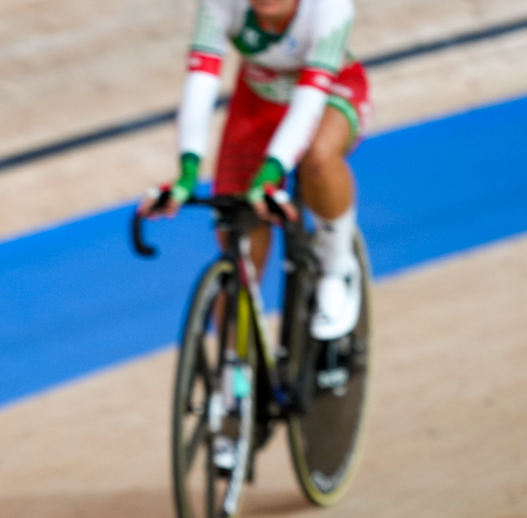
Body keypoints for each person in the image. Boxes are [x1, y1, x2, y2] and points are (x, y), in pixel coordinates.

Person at [142, 0, 370, 340]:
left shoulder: (330, 8)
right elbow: (200, 83)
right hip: (258, 100)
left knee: (318, 160)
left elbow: (308, 102)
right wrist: (187, 172)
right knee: (239, 241)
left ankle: (338, 268)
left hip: (329, 94)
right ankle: (233, 376)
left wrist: (269, 173)